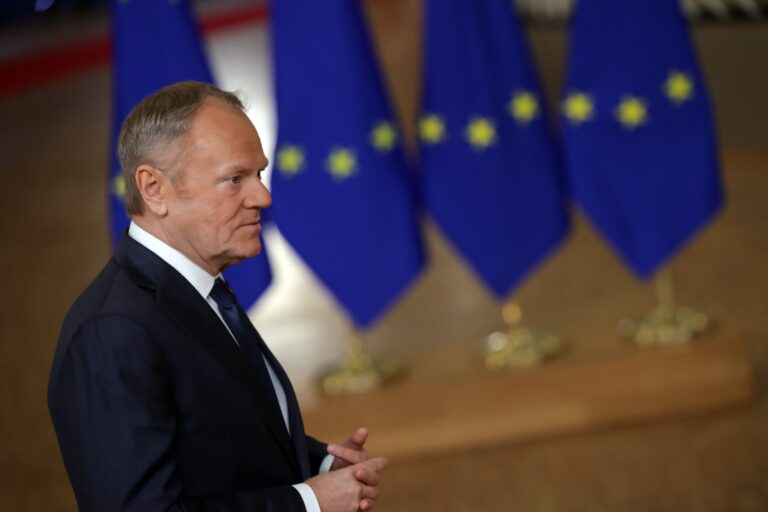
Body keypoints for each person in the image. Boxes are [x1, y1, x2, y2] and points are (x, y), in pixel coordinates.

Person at [48, 81, 387, 511]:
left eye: (259, 174)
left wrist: (321, 463)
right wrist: (307, 502)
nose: (262, 196)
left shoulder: (200, 286)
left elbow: (223, 430)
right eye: (234, 179)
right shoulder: (113, 333)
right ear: (154, 188)